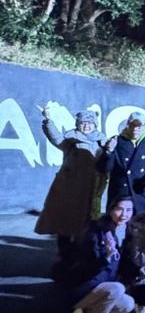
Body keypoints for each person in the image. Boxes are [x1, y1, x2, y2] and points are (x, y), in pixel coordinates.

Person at [35, 108, 109, 266]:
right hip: (70, 188)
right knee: (66, 222)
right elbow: (56, 138)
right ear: (78, 124)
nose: (86, 126)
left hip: (92, 188)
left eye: (89, 123)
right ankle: (65, 256)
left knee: (88, 225)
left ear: (95, 125)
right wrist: (48, 121)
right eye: (83, 123)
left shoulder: (101, 140)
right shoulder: (70, 139)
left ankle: (84, 257)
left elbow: (107, 161)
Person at [68, 196, 135, 313]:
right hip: (85, 285)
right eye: (119, 209)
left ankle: (84, 312)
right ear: (110, 210)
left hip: (104, 286)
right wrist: (107, 256)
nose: (124, 214)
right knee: (116, 289)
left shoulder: (127, 230)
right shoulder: (96, 231)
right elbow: (86, 265)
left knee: (127, 304)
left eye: (128, 210)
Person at [98, 112, 145, 215]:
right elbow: (103, 169)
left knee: (140, 224)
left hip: (142, 196)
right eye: (132, 125)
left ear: (144, 127)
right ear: (127, 125)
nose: (135, 129)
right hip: (120, 196)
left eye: (139, 126)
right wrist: (108, 151)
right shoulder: (116, 141)